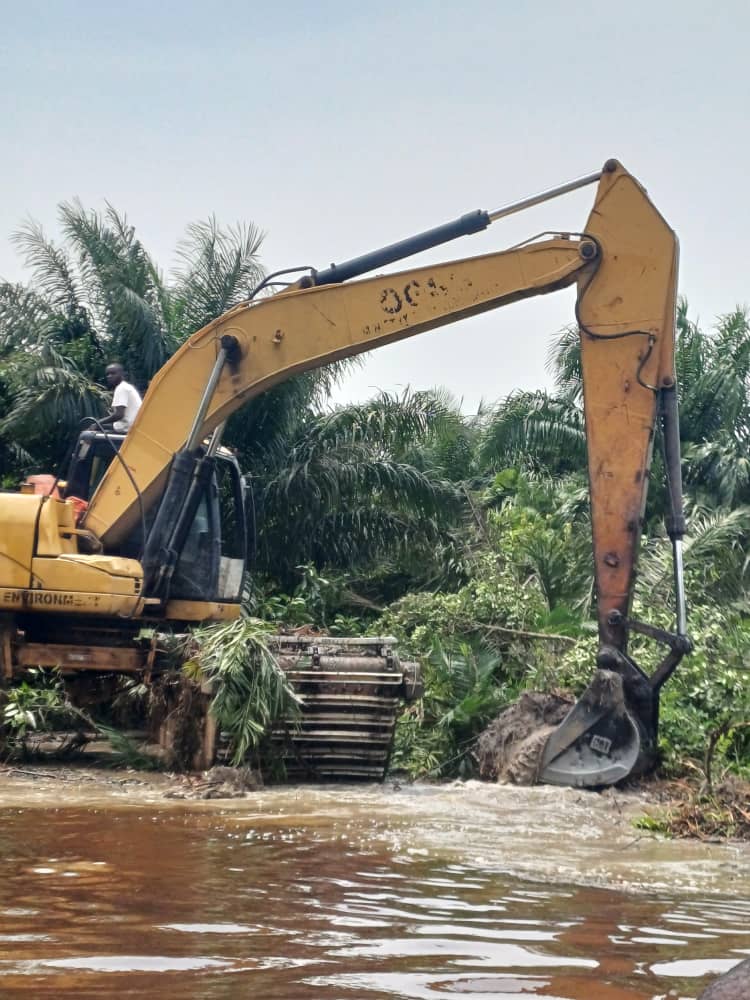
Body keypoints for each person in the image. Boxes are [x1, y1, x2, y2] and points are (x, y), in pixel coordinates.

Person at [99, 363, 142, 433]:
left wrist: (98, 423)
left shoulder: (121, 388)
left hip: (128, 428)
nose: (109, 376)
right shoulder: (126, 387)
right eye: (107, 374)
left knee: (90, 431)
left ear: (122, 374)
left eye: (113, 373)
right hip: (131, 426)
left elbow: (119, 415)